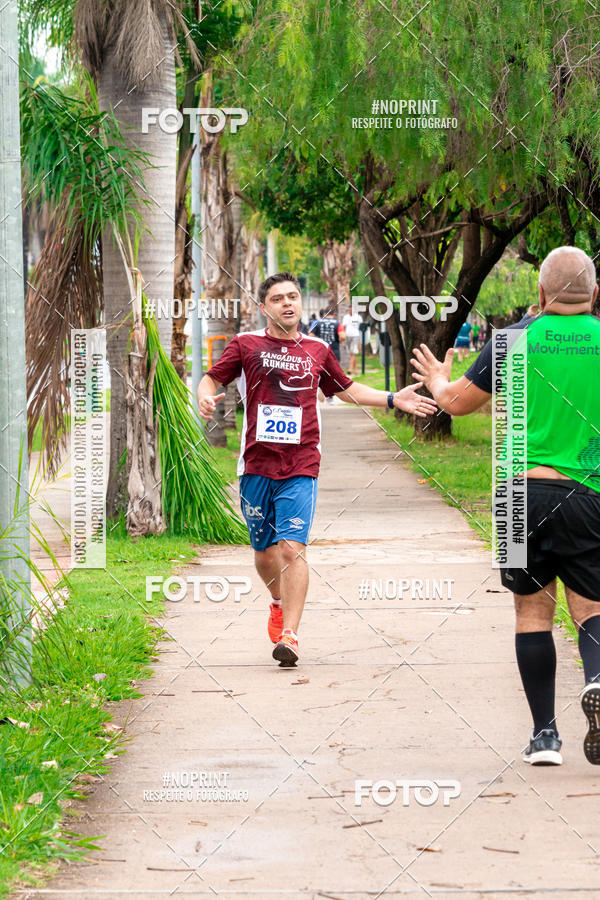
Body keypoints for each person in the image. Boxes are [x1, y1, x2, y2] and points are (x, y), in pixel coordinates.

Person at [410, 246, 600, 766]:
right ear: (595, 294)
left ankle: (544, 737)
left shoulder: (512, 340)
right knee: (591, 610)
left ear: (540, 293)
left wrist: (437, 380)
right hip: (587, 494)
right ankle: (597, 678)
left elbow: (454, 404)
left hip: (520, 498)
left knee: (532, 611)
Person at [197, 273, 438, 668]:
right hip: (256, 464)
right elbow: (212, 378)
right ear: (264, 308)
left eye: (293, 296)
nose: (287, 303)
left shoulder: (318, 349)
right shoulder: (246, 344)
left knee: (292, 548)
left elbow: (347, 389)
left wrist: (393, 398)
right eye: (278, 298)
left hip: (301, 463)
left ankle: (290, 636)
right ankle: (277, 602)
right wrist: (205, 397)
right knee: (264, 554)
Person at [342, 308, 362, 375]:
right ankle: (355, 369)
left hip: (355, 335)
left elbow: (360, 326)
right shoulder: (346, 317)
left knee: (352, 352)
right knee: (351, 353)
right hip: (348, 336)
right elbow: (344, 326)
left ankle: (350, 369)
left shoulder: (358, 317)